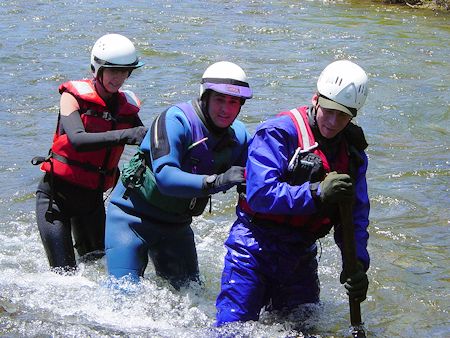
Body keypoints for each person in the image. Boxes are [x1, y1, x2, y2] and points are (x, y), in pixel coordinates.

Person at [215, 60, 371, 326]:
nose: (333, 122)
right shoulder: (277, 132)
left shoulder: (353, 154)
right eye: (329, 111)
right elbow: (260, 194)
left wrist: (355, 264)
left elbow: (355, 216)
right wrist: (317, 193)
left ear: (353, 116)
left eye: (342, 115)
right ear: (316, 100)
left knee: (304, 329)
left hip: (300, 254)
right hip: (254, 247)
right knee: (234, 330)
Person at [105, 61, 253, 289]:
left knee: (192, 295)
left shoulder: (240, 137)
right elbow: (166, 177)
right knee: (123, 298)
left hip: (177, 227)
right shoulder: (175, 120)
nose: (226, 109)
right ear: (205, 97)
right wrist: (218, 181)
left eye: (233, 102)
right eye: (219, 100)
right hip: (131, 219)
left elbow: (255, 184)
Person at [32, 33, 147, 272]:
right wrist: (127, 135)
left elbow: (145, 139)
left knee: (98, 267)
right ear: (97, 69)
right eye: (113, 71)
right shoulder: (70, 97)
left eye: (125, 72)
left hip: (92, 202)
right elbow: (78, 140)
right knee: (65, 276)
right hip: (56, 200)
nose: (119, 78)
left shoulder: (126, 107)